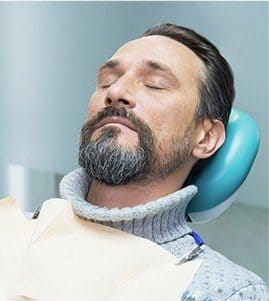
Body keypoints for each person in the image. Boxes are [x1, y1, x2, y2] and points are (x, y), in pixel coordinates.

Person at [59, 23, 269, 300]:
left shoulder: (227, 291)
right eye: (107, 81)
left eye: (154, 84)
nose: (116, 91)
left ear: (205, 138)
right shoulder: (4, 237)